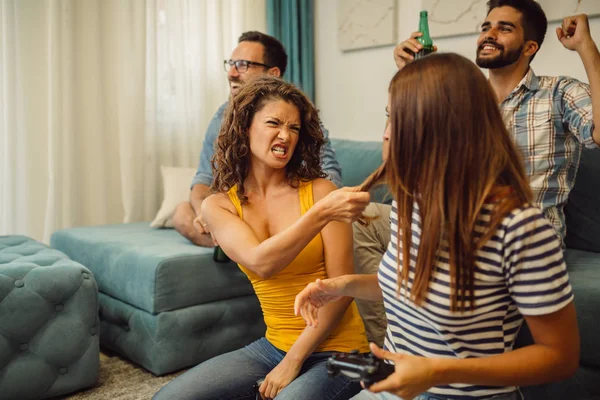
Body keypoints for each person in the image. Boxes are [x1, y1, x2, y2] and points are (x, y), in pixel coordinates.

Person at [294, 53, 579, 400]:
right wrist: (343, 285)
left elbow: (560, 358)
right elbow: (414, 293)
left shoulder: (521, 229)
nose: (384, 135)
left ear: (440, 128)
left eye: (396, 120)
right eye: (387, 118)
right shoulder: (409, 202)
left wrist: (438, 371)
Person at [154, 75, 370, 400]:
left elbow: (342, 292)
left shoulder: (323, 191)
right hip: (272, 347)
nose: (285, 135)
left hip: (346, 353)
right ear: (245, 128)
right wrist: (321, 214)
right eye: (274, 123)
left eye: (294, 128)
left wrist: (294, 361)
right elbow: (261, 262)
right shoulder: (219, 205)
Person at [394, 0, 600, 243]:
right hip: (459, 226)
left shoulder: (559, 92)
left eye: (504, 29)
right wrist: (410, 77)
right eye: (485, 28)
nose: (488, 35)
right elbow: (413, 157)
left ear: (529, 47)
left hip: (525, 237)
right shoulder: (461, 97)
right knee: (362, 219)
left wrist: (586, 46)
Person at [172, 31, 342, 247]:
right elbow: (203, 178)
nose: (232, 73)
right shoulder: (221, 115)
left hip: (284, 212)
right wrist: (206, 215)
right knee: (181, 214)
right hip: (236, 209)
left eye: (243, 64)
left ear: (273, 74)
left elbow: (330, 177)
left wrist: (280, 206)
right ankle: (237, 245)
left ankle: (247, 247)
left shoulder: (298, 111)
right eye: (231, 63)